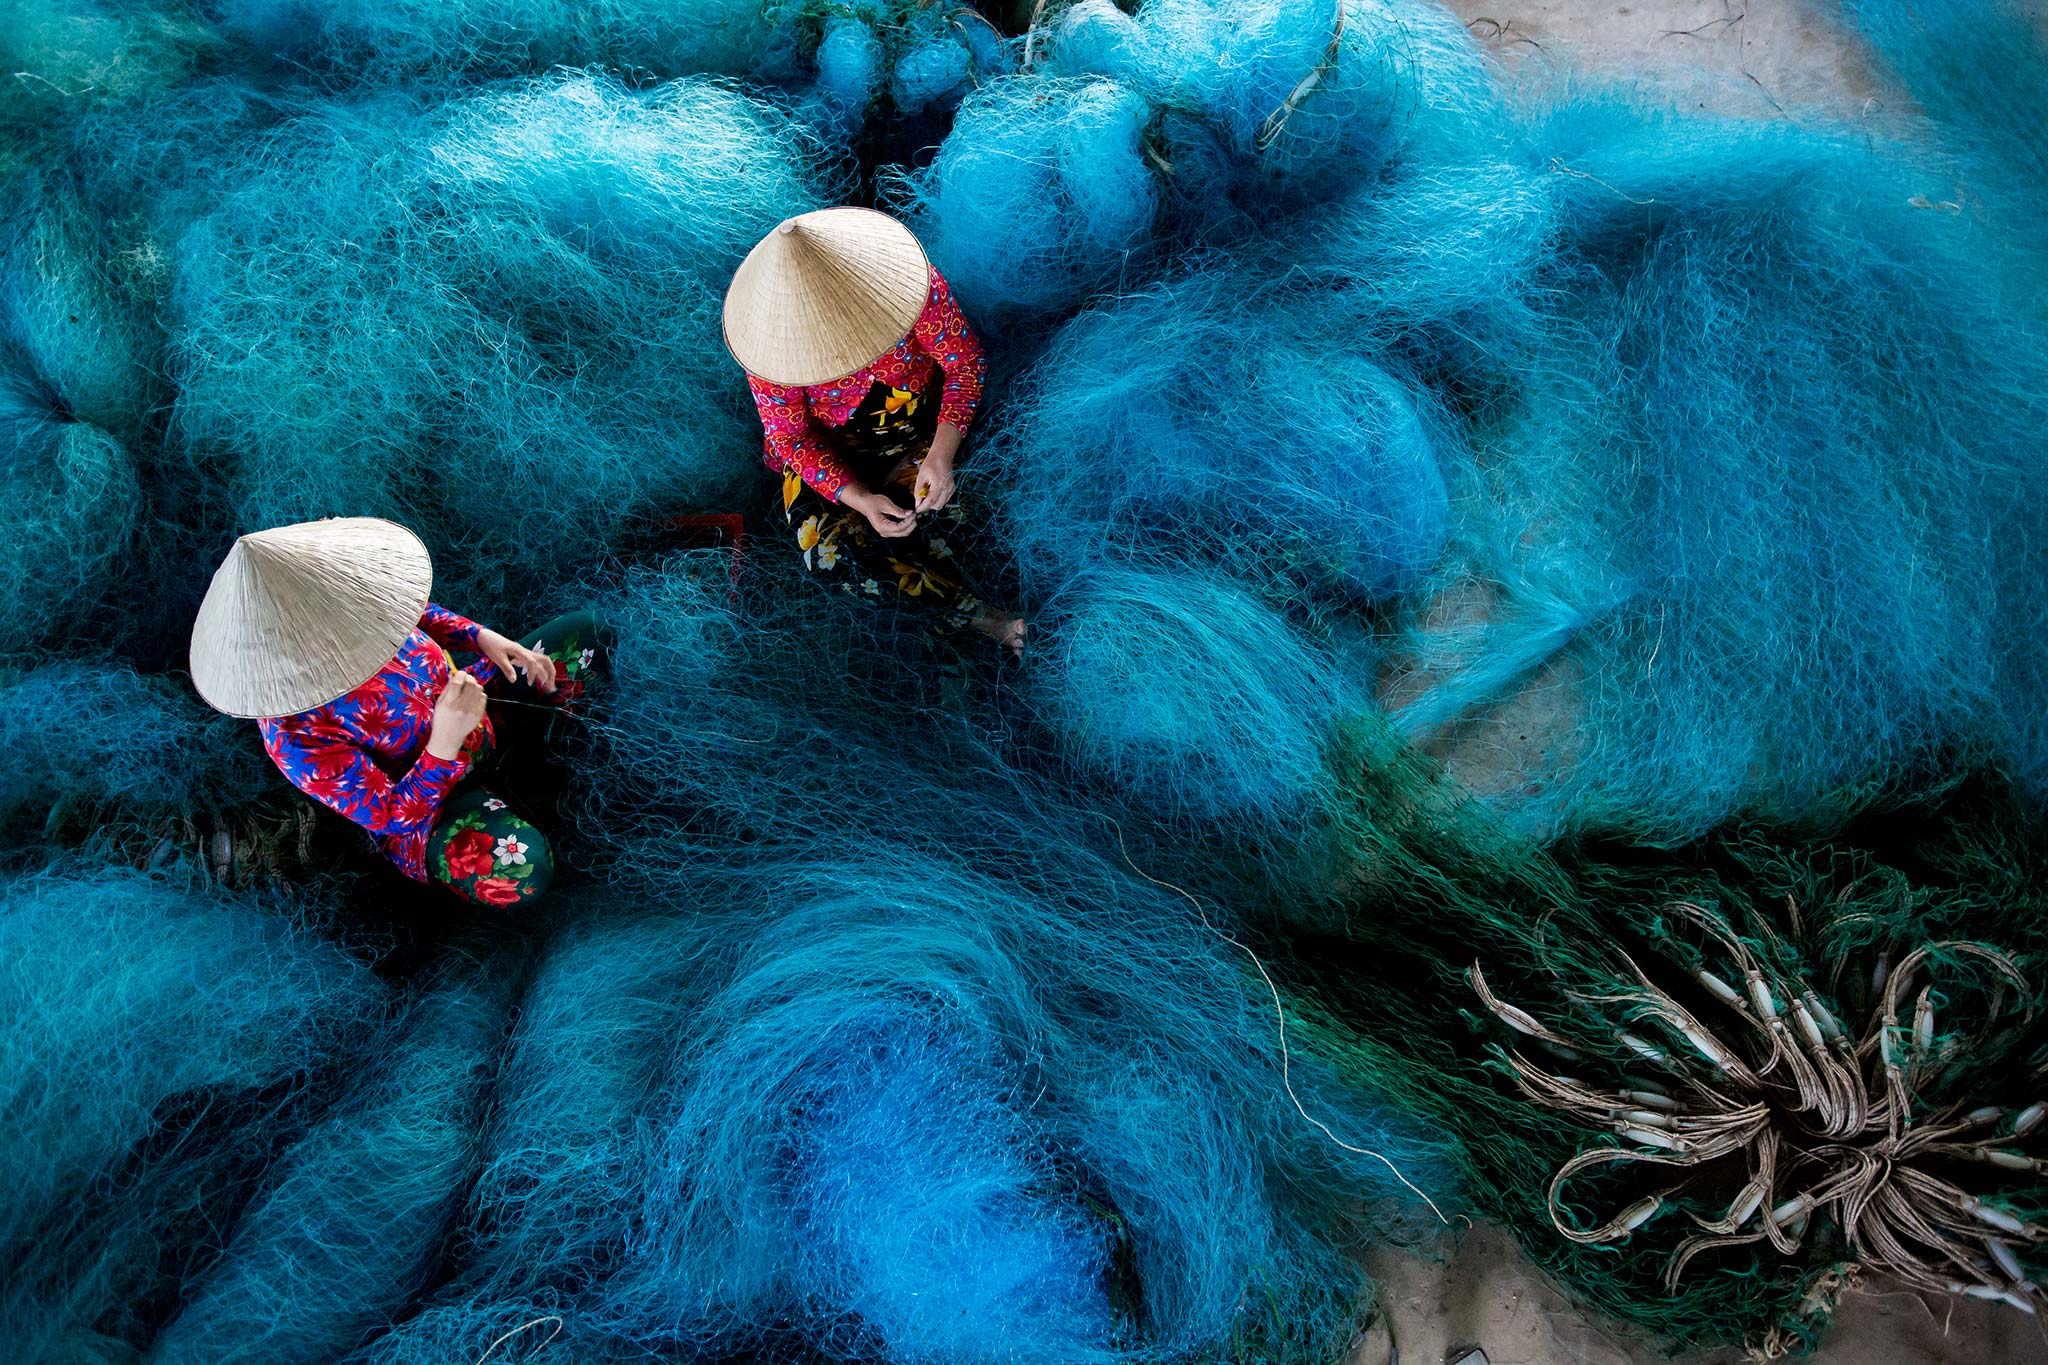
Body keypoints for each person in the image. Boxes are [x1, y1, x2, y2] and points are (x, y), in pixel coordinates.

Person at [188, 517, 604, 908]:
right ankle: (511, 794)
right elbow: (390, 815)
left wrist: (480, 636)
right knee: (520, 872)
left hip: (482, 703)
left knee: (587, 632)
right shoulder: (293, 736)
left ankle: (545, 753)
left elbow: (415, 612)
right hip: (438, 805)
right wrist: (443, 744)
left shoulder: (355, 600)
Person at [723, 206, 1025, 653]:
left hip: (921, 434)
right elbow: (791, 439)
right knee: (830, 559)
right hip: (836, 459)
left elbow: (964, 366)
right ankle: (984, 620)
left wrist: (941, 456)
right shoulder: (773, 358)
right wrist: (860, 499)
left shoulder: (915, 289)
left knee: (970, 518)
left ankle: (951, 606)